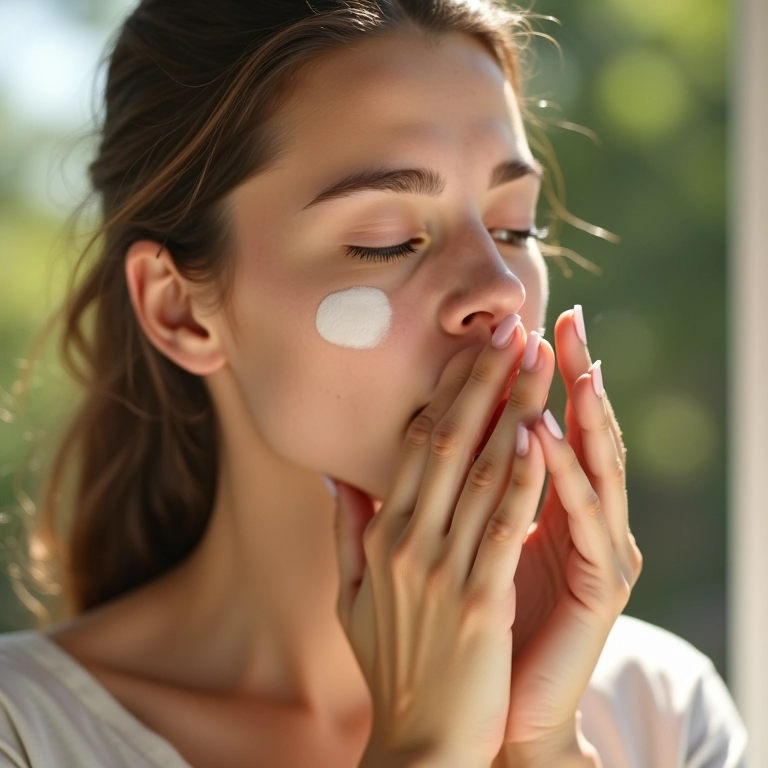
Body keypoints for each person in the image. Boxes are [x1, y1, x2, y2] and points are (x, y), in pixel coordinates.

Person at [0, 1, 748, 766]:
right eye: (384, 241)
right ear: (180, 310)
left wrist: (544, 750)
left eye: (515, 229)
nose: (501, 291)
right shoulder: (22, 731)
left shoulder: (659, 708)